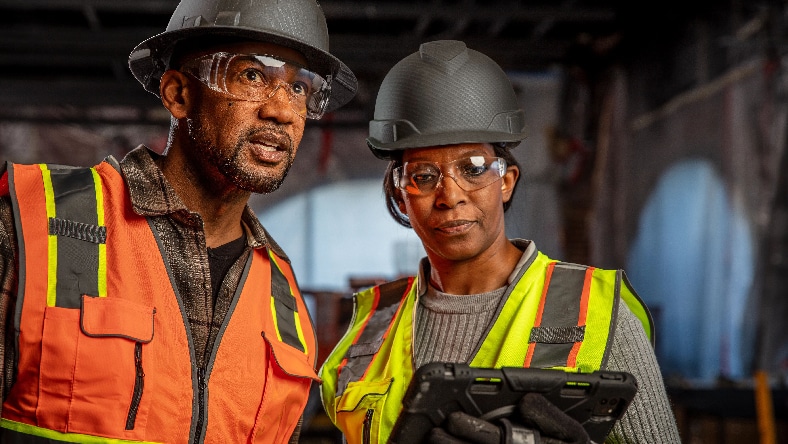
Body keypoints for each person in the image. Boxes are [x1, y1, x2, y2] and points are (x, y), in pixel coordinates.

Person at [0, 0, 357, 442]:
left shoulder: (283, 297)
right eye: (251, 76)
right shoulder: (29, 220)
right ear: (179, 94)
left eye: (299, 89)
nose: (282, 111)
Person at [319, 40, 680, 444]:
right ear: (402, 194)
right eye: (422, 175)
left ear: (505, 182)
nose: (450, 195)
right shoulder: (370, 331)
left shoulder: (594, 315)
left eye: (473, 169)